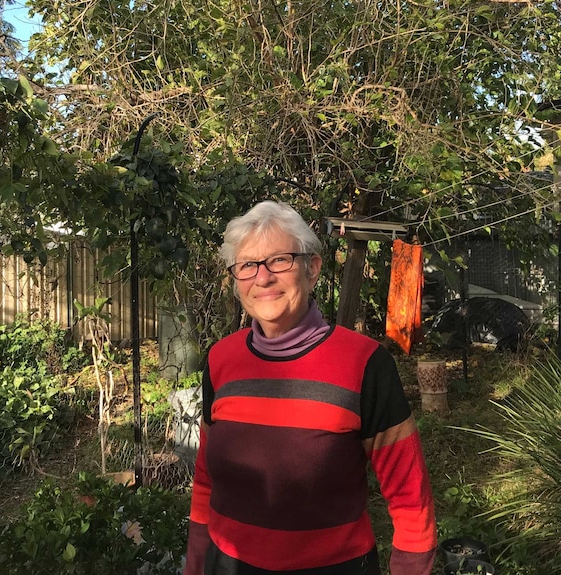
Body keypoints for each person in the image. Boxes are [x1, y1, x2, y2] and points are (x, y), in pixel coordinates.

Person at [183, 200, 437, 575]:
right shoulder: (222, 360)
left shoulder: (364, 364)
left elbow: (410, 497)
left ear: (313, 268)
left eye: (279, 260)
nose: (263, 278)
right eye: (247, 265)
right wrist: (195, 562)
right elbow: (206, 479)